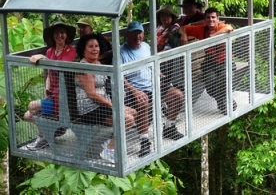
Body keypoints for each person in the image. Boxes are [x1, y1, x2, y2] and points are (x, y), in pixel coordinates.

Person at [121, 21, 185, 157]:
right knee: (143, 102)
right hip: (137, 89)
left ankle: (169, 127)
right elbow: (120, 77)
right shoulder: (122, 51)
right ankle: (144, 141)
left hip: (154, 85)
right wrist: (134, 91)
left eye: (140, 33)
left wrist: (160, 76)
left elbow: (152, 64)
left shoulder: (145, 46)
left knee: (177, 95)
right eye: (134, 33)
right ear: (127, 34)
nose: (137, 36)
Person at [75, 33, 136, 163]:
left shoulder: (97, 63)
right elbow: (92, 95)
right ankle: (109, 150)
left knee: (133, 112)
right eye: (90, 47)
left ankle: (109, 143)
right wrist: (112, 105)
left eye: (96, 46)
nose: (94, 49)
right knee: (127, 119)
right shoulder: (85, 67)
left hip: (101, 105)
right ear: (83, 50)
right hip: (89, 109)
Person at [24, 22, 77, 150]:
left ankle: (46, 136)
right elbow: (49, 74)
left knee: (32, 106)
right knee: (27, 116)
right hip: (52, 96)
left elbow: (60, 66)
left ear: (66, 35)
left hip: (63, 99)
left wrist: (42, 57)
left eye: (62, 32)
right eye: (57, 33)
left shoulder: (70, 50)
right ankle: (46, 136)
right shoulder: (50, 51)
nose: (60, 35)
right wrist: (46, 88)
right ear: (53, 36)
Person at [179, 8, 234, 112]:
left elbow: (229, 28)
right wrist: (184, 35)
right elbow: (182, 28)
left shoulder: (221, 27)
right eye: (208, 17)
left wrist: (213, 36)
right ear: (205, 19)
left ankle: (224, 101)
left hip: (224, 61)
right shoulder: (201, 29)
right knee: (210, 85)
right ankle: (224, 100)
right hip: (210, 62)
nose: (211, 20)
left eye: (213, 17)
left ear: (218, 19)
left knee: (225, 78)